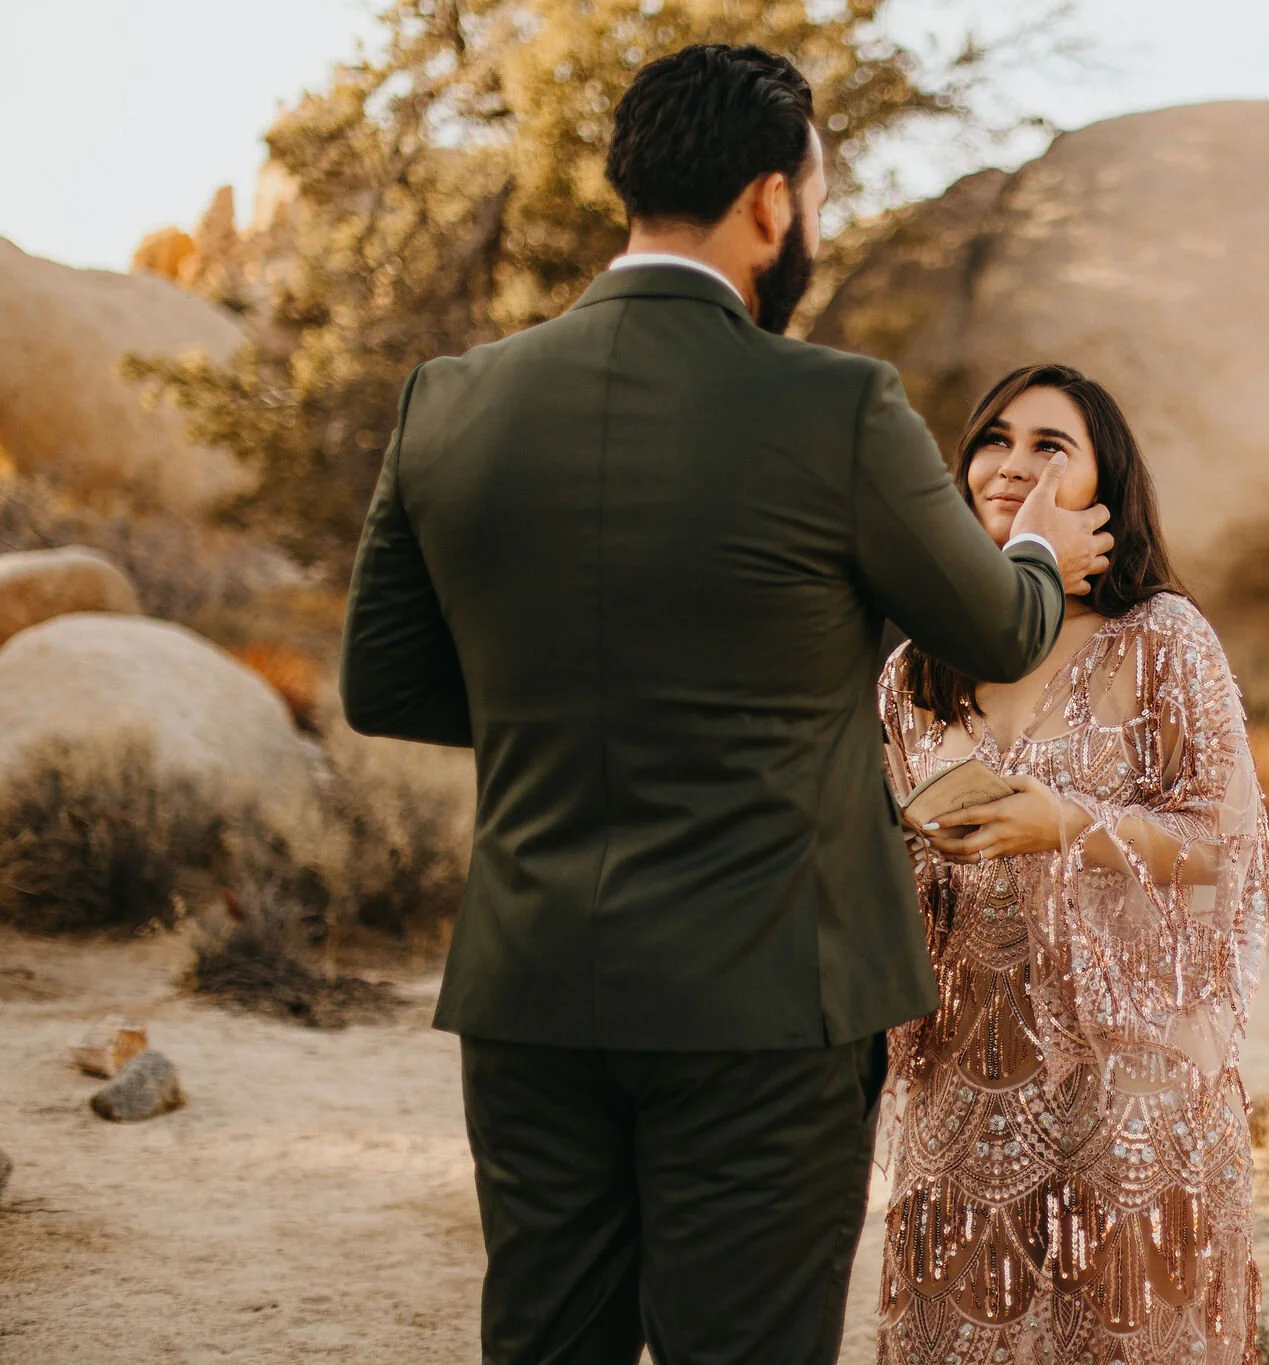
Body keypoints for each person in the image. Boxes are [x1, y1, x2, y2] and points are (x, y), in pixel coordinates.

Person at [338, 46, 1112, 1365]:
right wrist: (1038, 548)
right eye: (816, 197)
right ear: (769, 201)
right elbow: (996, 630)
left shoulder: (449, 400)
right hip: (769, 1005)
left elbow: (384, 683)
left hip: (531, 993)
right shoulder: (837, 405)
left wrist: (580, 710)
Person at [876, 365, 1269, 1365]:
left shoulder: (1162, 641)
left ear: (1106, 486)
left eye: (1050, 446)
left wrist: (1068, 824)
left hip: (1133, 1080)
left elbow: (1225, 864)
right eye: (993, 439)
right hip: (967, 1076)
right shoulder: (916, 668)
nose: (1012, 464)